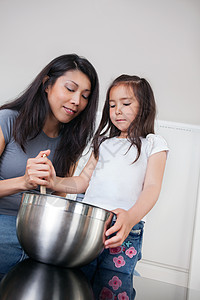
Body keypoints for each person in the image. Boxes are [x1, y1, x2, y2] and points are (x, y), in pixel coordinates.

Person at [41, 74, 169, 277]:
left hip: (124, 226)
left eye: (126, 103)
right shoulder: (102, 143)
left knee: (114, 285)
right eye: (111, 105)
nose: (117, 110)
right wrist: (54, 181)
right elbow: (82, 181)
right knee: (78, 279)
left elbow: (152, 187)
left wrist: (130, 218)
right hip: (88, 224)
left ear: (145, 107)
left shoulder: (153, 143)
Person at [0, 54, 99, 279]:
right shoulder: (6, 120)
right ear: (47, 84)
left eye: (85, 96)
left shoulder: (72, 139)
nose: (77, 101)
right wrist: (24, 182)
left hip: (40, 232)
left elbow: (59, 196)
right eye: (71, 89)